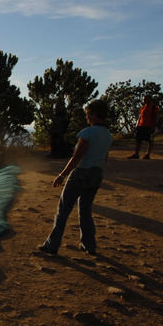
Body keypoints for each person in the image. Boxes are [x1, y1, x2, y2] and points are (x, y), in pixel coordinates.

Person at [37, 99, 113, 256]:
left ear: (93, 114)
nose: (87, 117)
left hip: (81, 173)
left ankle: (52, 245)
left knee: (63, 210)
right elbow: (105, 158)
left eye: (88, 114)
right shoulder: (107, 135)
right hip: (96, 174)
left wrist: (62, 175)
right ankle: (89, 245)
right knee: (85, 210)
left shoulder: (87, 133)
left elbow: (77, 157)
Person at [129, 94, 159, 159]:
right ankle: (136, 154)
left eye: (145, 99)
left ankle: (147, 154)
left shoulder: (154, 107)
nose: (144, 100)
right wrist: (137, 125)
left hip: (149, 126)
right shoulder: (143, 107)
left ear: (149, 99)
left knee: (150, 141)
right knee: (138, 140)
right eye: (144, 99)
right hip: (141, 125)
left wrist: (153, 127)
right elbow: (140, 117)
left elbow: (155, 118)